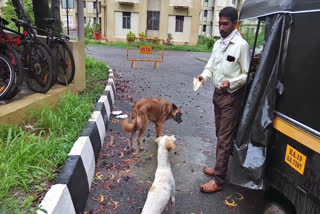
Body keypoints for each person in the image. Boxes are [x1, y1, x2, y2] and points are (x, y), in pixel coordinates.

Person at [197, 6, 250, 193]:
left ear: (235, 24)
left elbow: (245, 75)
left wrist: (231, 83)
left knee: (225, 139)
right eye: (219, 24)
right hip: (217, 96)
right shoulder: (217, 44)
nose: (221, 27)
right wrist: (203, 76)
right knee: (220, 135)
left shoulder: (241, 46)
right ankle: (220, 167)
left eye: (225, 24)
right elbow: (210, 66)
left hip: (231, 98)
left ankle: (219, 180)